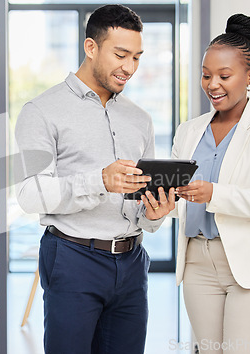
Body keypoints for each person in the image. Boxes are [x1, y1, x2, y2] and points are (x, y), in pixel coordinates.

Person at [15, 5, 175, 353]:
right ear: (91, 47)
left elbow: (139, 211)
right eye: (120, 54)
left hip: (132, 263)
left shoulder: (140, 119)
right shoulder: (41, 111)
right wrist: (99, 180)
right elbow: (29, 194)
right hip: (73, 258)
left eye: (136, 57)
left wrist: (155, 213)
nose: (129, 68)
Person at [172, 14, 250, 353]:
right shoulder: (188, 131)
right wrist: (161, 205)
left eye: (224, 76)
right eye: (206, 75)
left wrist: (214, 194)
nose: (213, 84)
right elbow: (179, 203)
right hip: (198, 264)